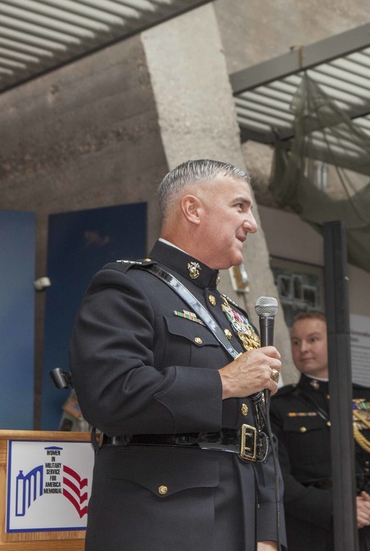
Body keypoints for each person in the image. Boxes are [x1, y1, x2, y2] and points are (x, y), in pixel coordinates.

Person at [69, 159, 285, 551]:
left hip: (242, 522)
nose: (251, 223)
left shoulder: (234, 316)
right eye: (240, 206)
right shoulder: (126, 286)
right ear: (192, 209)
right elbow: (109, 394)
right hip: (162, 523)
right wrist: (225, 382)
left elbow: (260, 432)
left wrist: (268, 531)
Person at [270, 311, 370, 551]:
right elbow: (277, 479)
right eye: (296, 342)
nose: (303, 348)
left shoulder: (369, 400)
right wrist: (339, 509)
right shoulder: (279, 405)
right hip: (309, 532)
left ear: (334, 343)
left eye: (313, 339)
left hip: (366, 534)